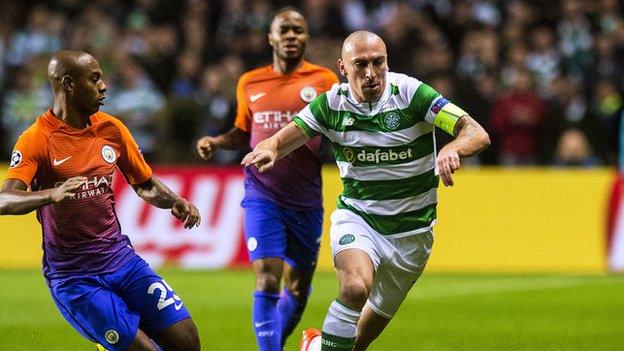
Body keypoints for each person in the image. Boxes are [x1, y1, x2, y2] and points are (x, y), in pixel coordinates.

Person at [242, 30, 490, 351]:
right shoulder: (331, 103)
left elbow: (476, 132)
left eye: (378, 63)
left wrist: (453, 148)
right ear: (343, 68)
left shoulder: (411, 94)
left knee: (356, 343)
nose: (371, 74)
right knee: (355, 289)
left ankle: (315, 346)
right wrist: (272, 148)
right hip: (359, 219)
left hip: (413, 235)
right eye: (360, 65)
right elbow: (282, 138)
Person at [0, 50, 202, 351]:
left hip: (122, 260)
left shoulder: (111, 129)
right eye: (94, 79)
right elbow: (5, 199)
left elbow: (144, 184)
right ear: (69, 84)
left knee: (188, 343)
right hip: (75, 278)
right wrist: (49, 195)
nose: (103, 86)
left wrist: (173, 200)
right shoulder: (37, 139)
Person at [196, 7, 338, 351]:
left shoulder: (325, 81)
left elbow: (340, 130)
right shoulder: (250, 82)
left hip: (306, 199)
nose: (291, 36)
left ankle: (280, 342)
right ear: (271, 38)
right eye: (284, 30)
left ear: (306, 38)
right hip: (263, 194)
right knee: (268, 277)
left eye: (298, 30)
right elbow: (243, 132)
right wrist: (217, 141)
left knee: (298, 287)